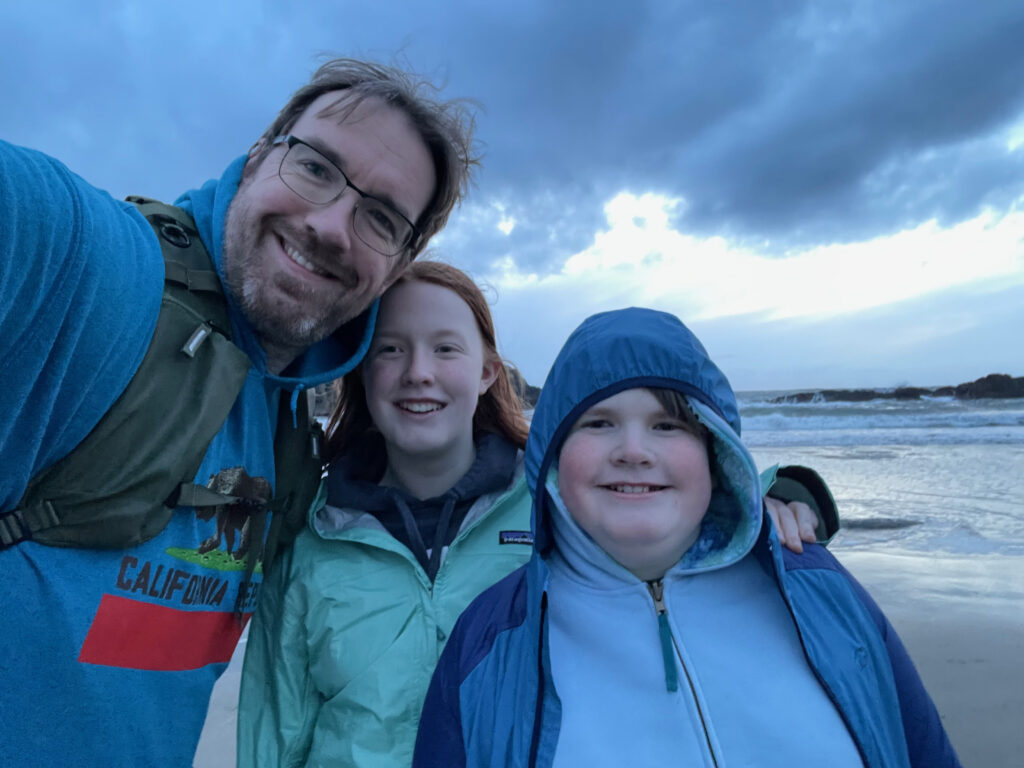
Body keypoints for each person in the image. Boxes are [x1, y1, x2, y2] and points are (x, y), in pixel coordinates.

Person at [0, 58, 475, 767]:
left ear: (400, 263)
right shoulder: (100, 275)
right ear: (259, 157)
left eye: (379, 217)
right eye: (315, 168)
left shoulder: (295, 441)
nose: (330, 225)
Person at [413, 307, 961, 768]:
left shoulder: (817, 589)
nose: (633, 450)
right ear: (553, 460)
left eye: (667, 425)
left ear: (716, 453)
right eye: (598, 423)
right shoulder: (488, 643)